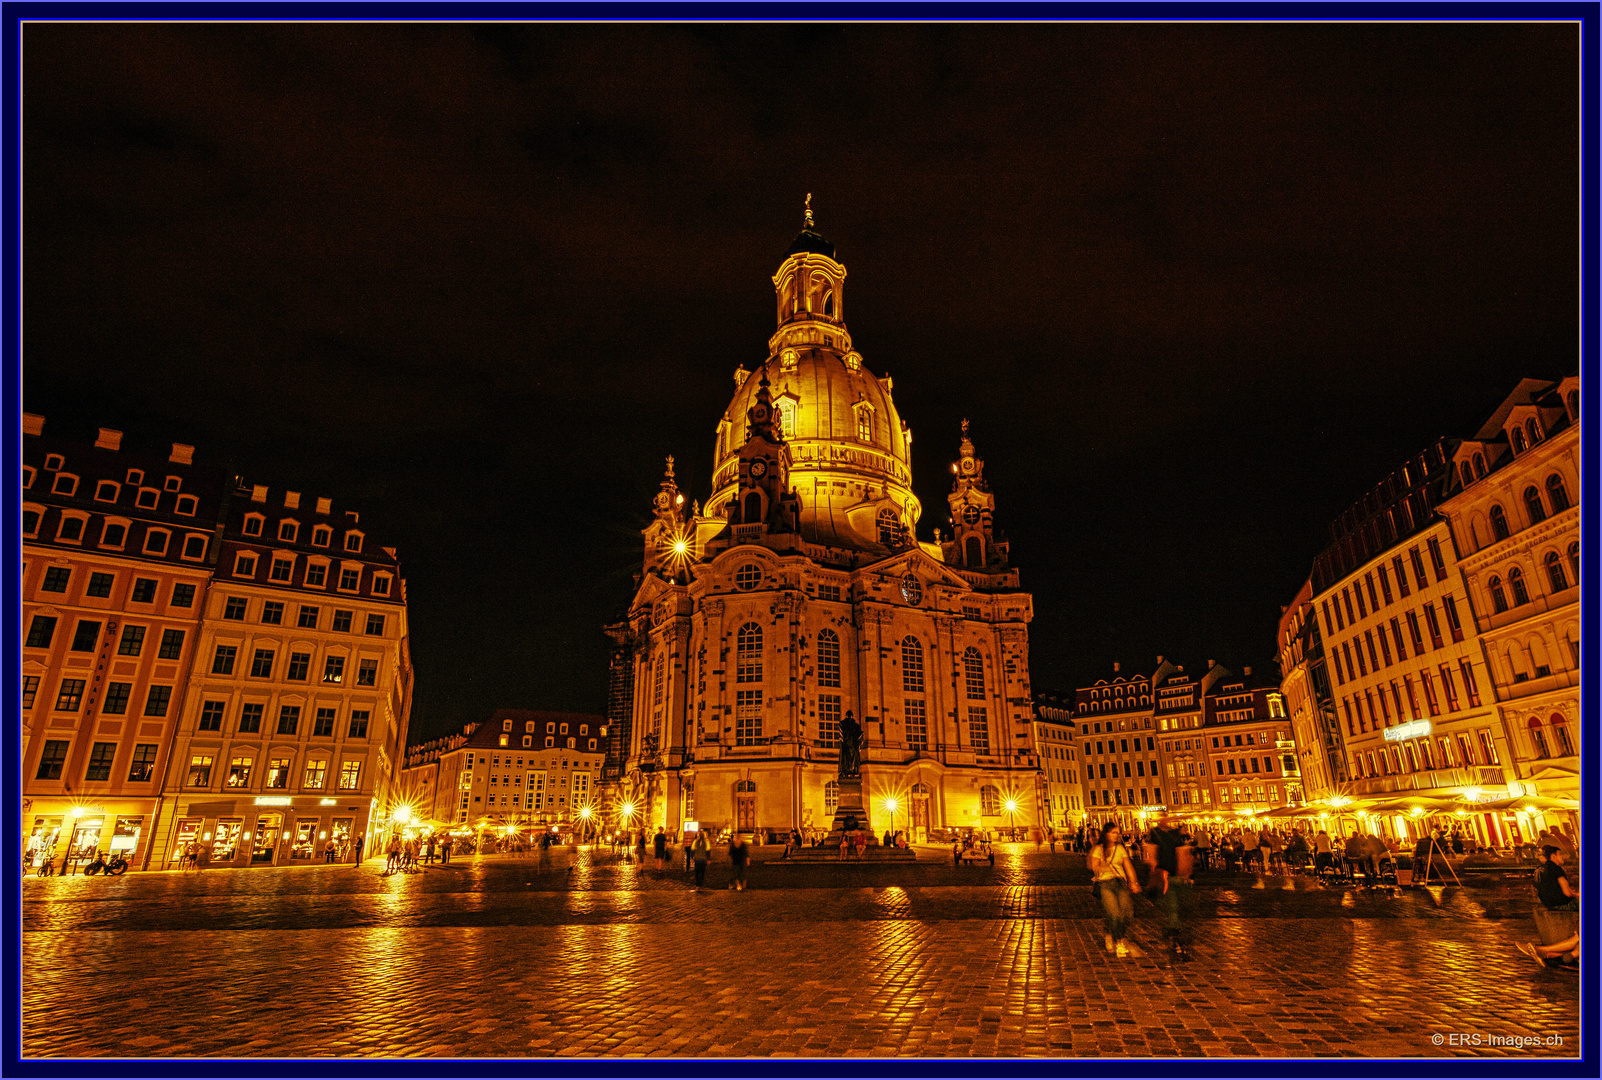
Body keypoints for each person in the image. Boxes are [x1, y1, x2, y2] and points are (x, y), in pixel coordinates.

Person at [1145, 813, 1196, 961]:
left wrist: (1185, 874)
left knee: (1178, 906)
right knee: (1173, 906)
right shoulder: (1156, 833)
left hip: (1174, 875)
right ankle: (1175, 936)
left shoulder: (1173, 834)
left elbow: (1182, 854)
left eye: (1165, 817)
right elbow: (1153, 854)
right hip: (1165, 875)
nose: (1164, 820)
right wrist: (1154, 871)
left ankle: (1172, 931)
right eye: (1162, 818)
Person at [1088, 822, 1141, 957]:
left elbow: (1128, 866)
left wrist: (1133, 882)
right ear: (1106, 834)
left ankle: (1111, 933)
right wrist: (1103, 867)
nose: (1116, 835)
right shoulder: (1099, 849)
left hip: (1120, 883)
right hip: (1105, 884)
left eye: (1117, 833)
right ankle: (1119, 942)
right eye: (1113, 832)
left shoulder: (1120, 849)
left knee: (1127, 914)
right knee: (1115, 914)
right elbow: (1093, 867)